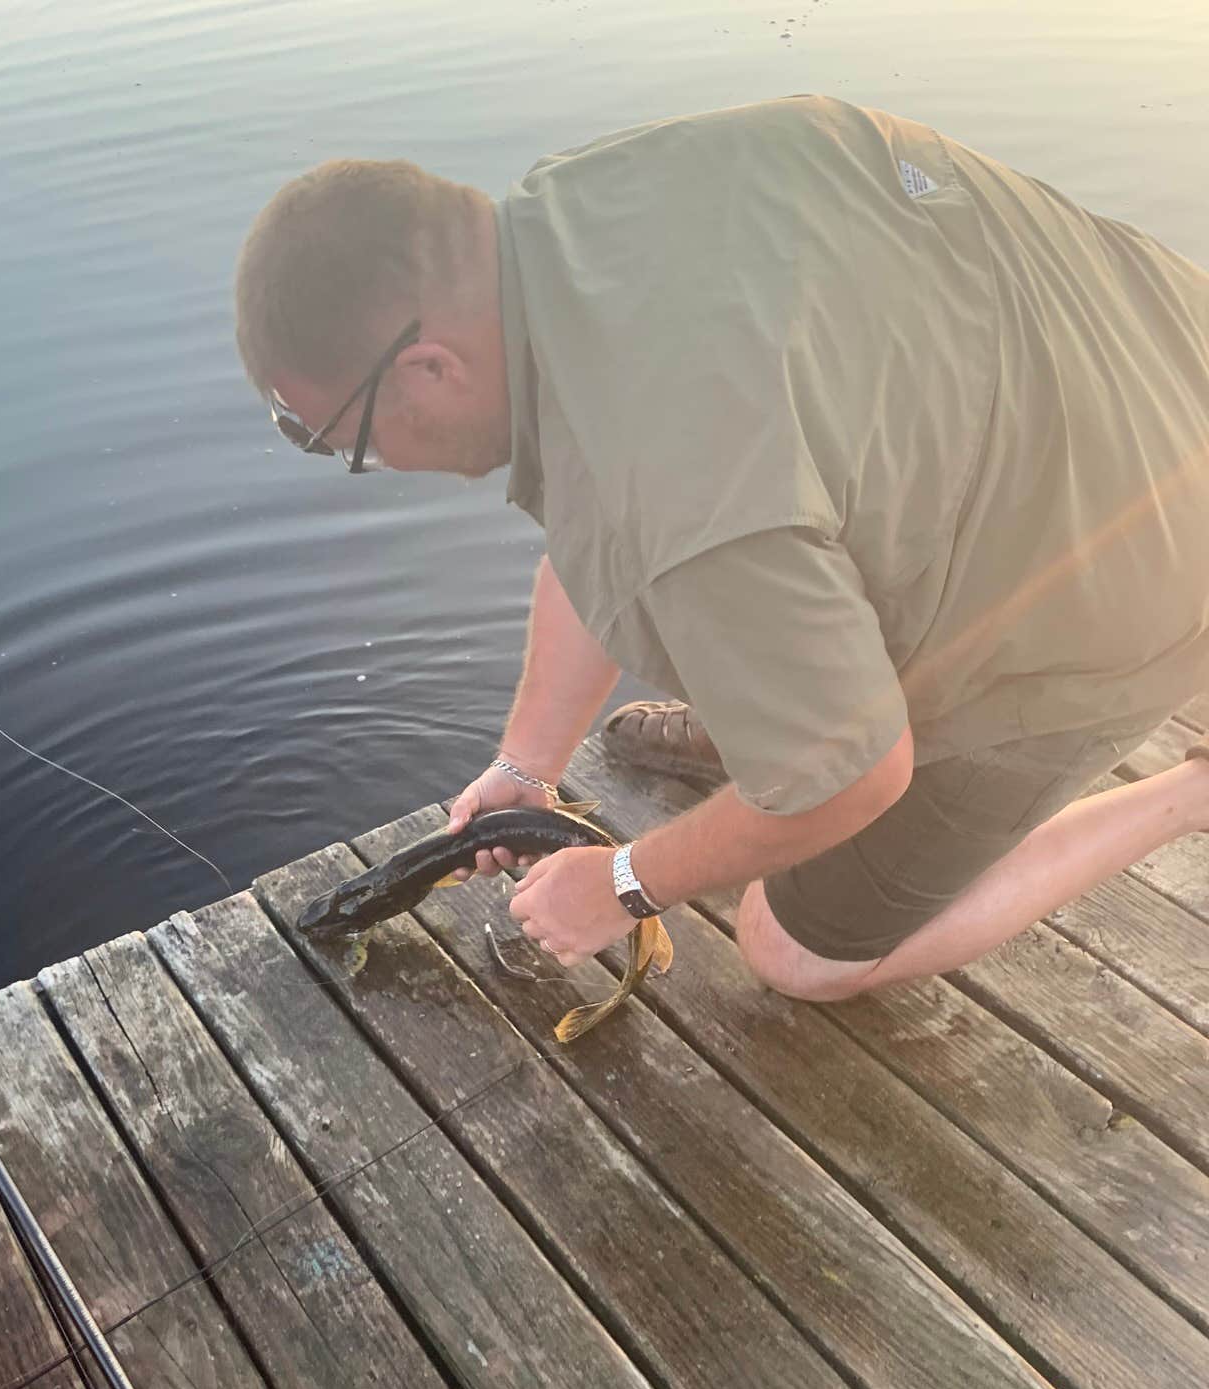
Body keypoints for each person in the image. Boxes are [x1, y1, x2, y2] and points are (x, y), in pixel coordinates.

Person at [233, 96, 1209, 994]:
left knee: (796, 952)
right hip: (1148, 338)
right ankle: (775, 715)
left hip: (1146, 566)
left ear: (429, 367)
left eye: (347, 443)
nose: (372, 466)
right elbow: (607, 522)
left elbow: (859, 771)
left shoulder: (670, 475)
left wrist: (618, 883)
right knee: (744, 567)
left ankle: (1190, 794)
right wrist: (528, 767)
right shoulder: (566, 224)